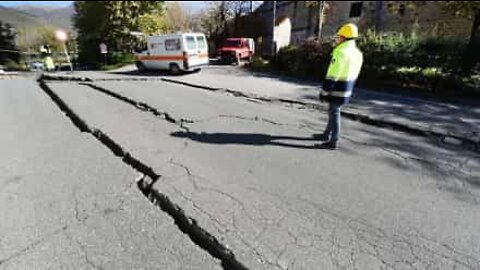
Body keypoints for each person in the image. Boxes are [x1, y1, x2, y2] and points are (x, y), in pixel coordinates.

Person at [315, 23, 364, 150]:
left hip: (337, 88)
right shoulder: (357, 53)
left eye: (339, 37)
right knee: (333, 111)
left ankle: (333, 141)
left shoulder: (340, 52)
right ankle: (326, 134)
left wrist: (324, 91)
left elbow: (333, 75)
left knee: (334, 113)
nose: (337, 39)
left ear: (344, 38)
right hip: (348, 88)